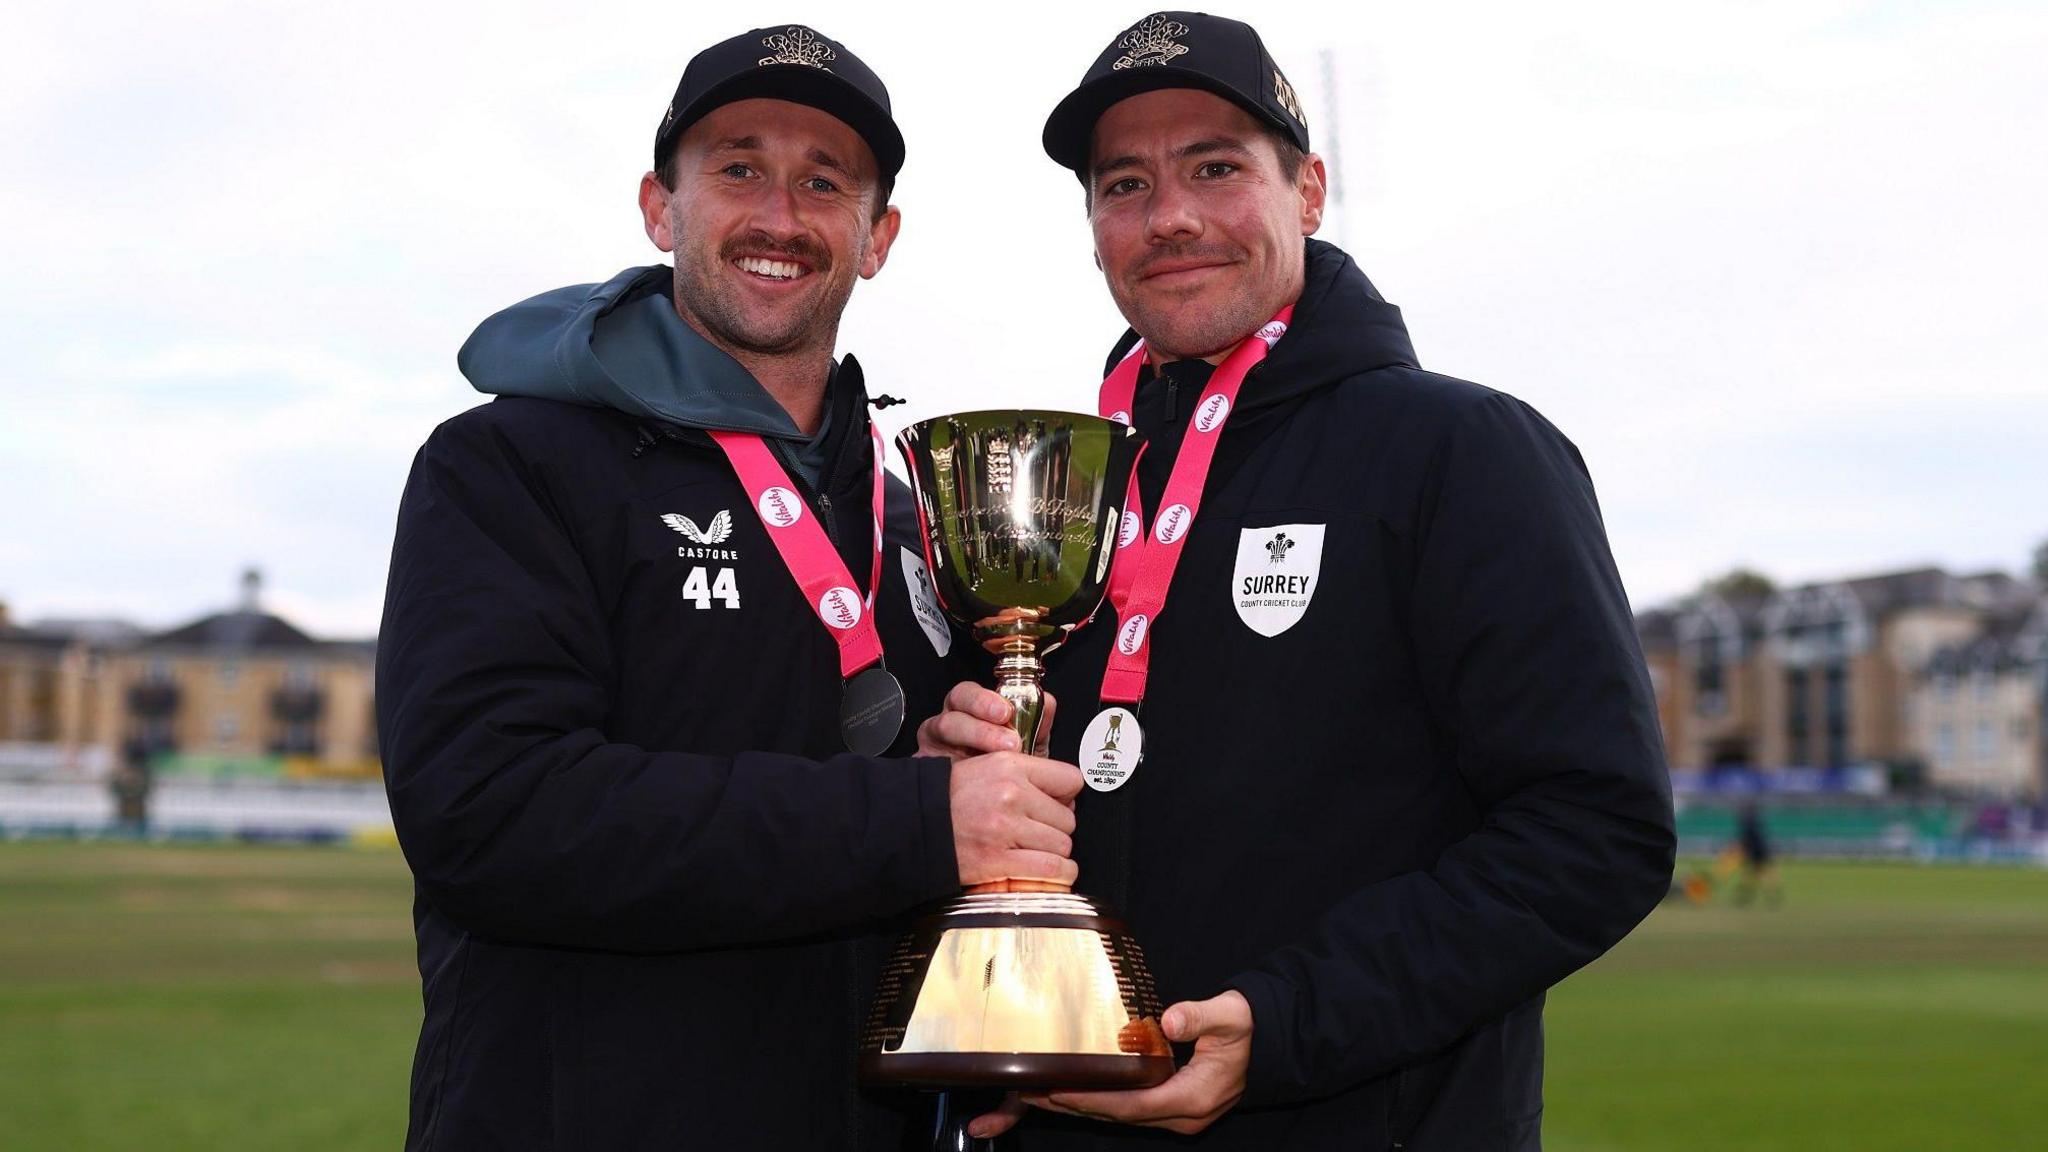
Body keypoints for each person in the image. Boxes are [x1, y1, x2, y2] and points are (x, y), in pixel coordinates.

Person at [952, 12, 1678, 1148]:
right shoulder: (1064, 493)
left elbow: (1595, 828)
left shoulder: (1465, 450)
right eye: (1124, 184)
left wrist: (1289, 1024)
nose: (1171, 216)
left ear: (1307, 192)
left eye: (1216, 167)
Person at [376, 25, 1081, 1149]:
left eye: (824, 182)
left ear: (877, 235)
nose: (780, 217)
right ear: (662, 207)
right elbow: (492, 813)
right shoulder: (508, 466)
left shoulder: (913, 508)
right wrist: (916, 816)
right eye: (738, 168)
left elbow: (902, 834)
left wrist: (942, 794)